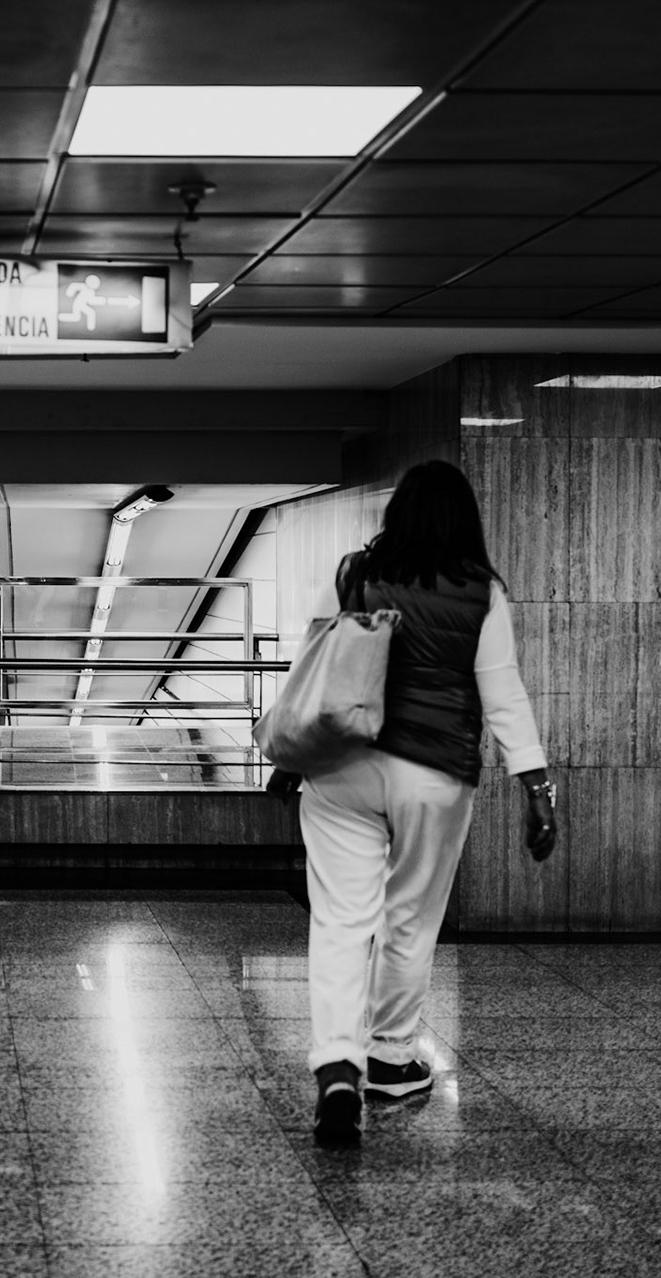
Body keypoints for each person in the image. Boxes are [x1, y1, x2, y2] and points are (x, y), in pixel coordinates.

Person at [286, 460, 556, 1146]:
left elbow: (314, 662)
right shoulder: (482, 592)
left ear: (396, 513)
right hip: (432, 774)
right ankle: (391, 1057)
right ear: (465, 520)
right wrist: (535, 785)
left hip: (343, 765)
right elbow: (503, 694)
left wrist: (290, 754)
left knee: (342, 922)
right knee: (410, 920)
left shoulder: (354, 572)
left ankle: (337, 1071)